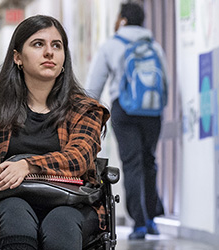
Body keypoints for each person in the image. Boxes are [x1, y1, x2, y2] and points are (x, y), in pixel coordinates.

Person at [0, 15, 110, 250]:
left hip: (72, 200)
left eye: (56, 46)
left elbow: (79, 158)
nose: (49, 52)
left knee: (61, 227)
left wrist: (28, 165)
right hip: (6, 199)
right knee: (16, 220)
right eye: (38, 44)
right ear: (17, 57)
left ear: (64, 58)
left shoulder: (84, 108)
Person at [85, 2, 168, 239]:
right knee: (149, 162)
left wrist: (88, 113)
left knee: (131, 164)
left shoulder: (112, 45)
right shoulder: (154, 45)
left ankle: (139, 223)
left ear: (122, 18)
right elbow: (166, 82)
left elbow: (94, 86)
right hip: (152, 111)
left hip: (125, 111)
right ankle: (152, 219)